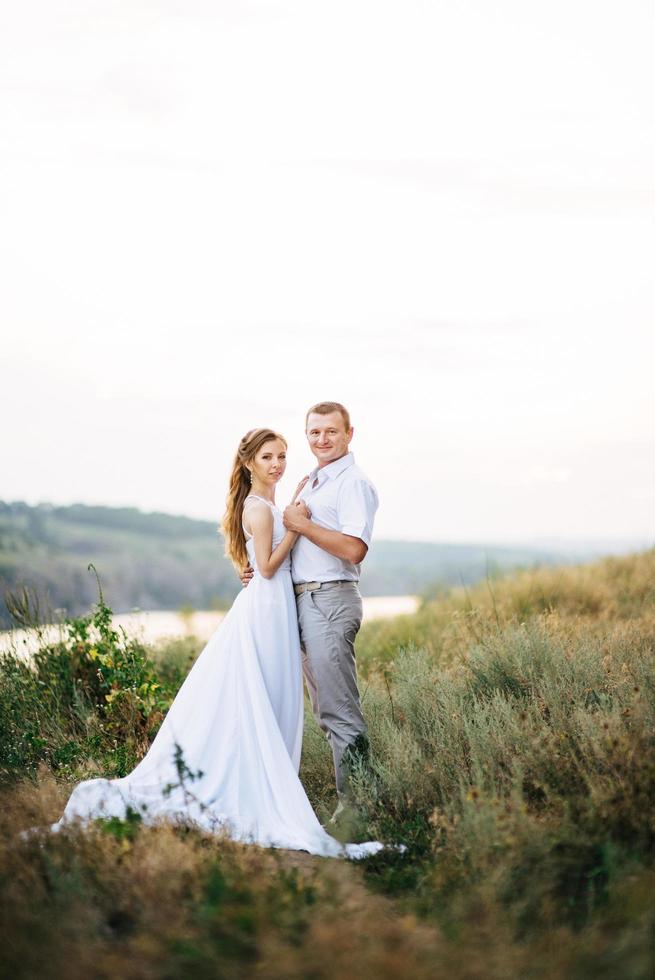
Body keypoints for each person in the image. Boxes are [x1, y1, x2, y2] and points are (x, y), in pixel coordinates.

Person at [48, 428, 383, 859]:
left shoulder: (272, 503)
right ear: (248, 463)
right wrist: (296, 531)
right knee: (257, 697)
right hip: (266, 608)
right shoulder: (259, 509)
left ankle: (265, 779)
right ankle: (255, 786)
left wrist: (289, 530)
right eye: (267, 457)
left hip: (279, 605)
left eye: (282, 455)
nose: (278, 464)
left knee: (268, 697)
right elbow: (265, 568)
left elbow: (264, 563)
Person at [241, 402, 378, 826]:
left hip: (330, 601)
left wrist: (300, 526)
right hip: (302, 601)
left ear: (349, 434)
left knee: (338, 710)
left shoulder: (352, 483)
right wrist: (259, 570)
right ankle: (353, 802)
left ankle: (358, 812)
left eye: (331, 432)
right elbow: (284, 541)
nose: (322, 439)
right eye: (314, 432)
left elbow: (354, 549)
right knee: (325, 711)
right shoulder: (314, 482)